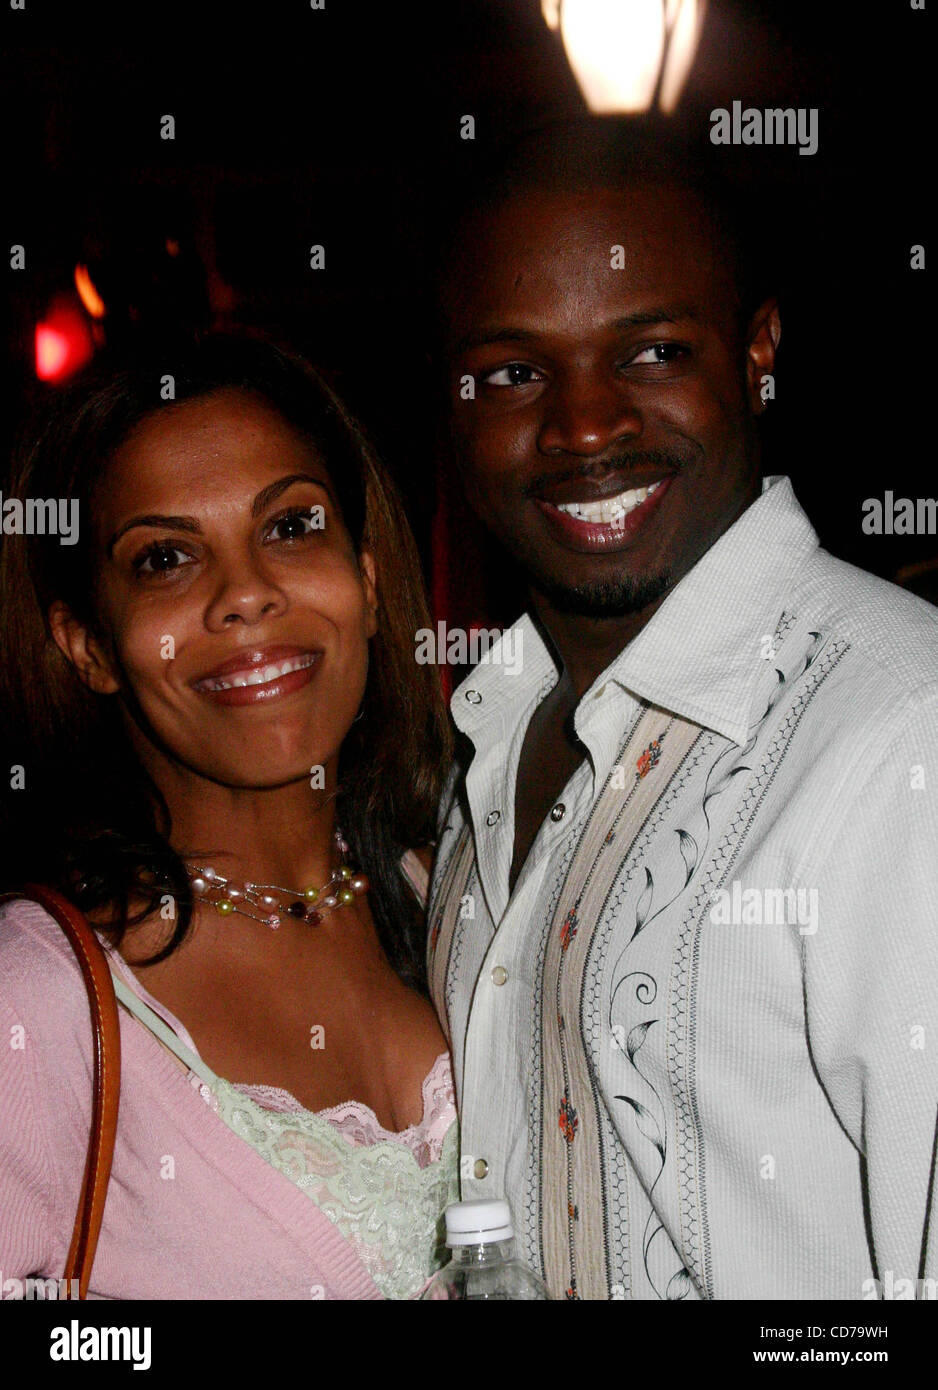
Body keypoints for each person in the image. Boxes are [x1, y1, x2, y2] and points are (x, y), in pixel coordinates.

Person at [427, 120, 938, 1300]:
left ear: (756, 349)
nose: (583, 426)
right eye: (513, 371)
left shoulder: (896, 728)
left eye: (649, 351)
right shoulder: (487, 742)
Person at [0, 334, 457, 1299]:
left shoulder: (465, 892)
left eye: (291, 527)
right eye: (165, 558)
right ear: (88, 645)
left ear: (368, 585)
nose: (246, 593)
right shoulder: (41, 996)